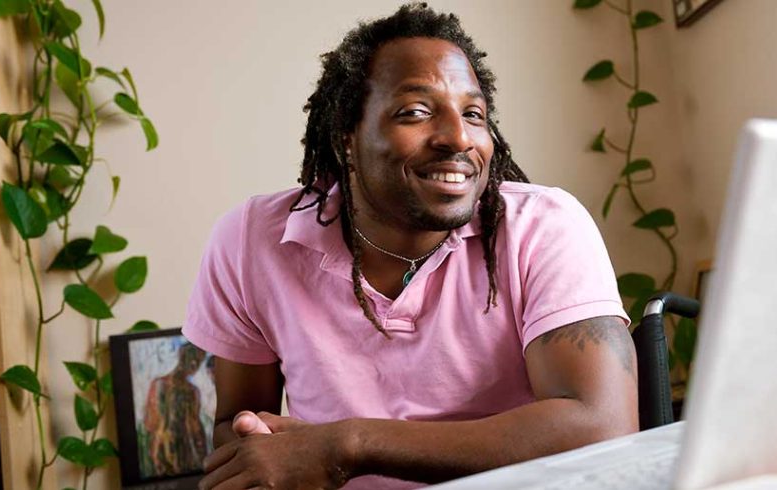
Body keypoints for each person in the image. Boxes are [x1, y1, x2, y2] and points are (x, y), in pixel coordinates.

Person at [183, 3, 637, 489]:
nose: (458, 137)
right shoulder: (252, 241)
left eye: (474, 114)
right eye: (416, 112)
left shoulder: (542, 226)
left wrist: (348, 446)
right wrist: (256, 444)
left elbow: (601, 427)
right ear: (346, 138)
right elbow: (238, 423)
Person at [141, 342, 208, 477]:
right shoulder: (161, 385)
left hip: (184, 448)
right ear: (182, 358)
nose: (195, 365)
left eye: (199, 362)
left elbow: (195, 424)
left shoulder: (192, 391)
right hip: (166, 447)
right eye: (193, 359)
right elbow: (151, 423)